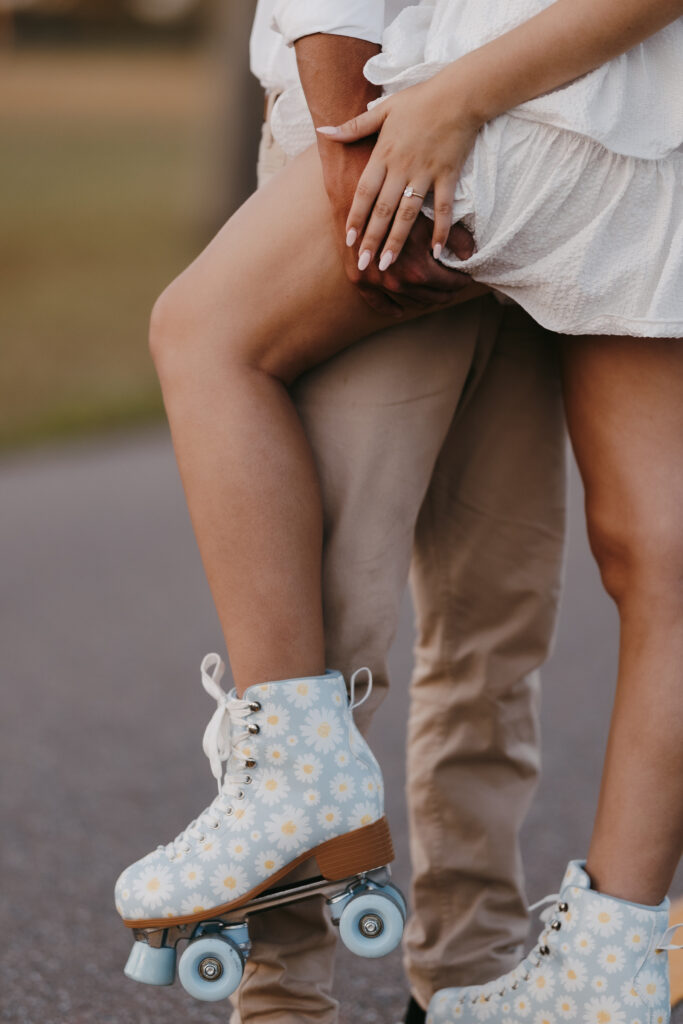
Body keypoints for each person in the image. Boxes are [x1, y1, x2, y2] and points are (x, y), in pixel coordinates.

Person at [115, 0, 683, 1021]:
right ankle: (288, 997)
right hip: (488, 127)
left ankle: (470, 967)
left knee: (485, 610)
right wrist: (349, 136)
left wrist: (389, 129)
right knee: (345, 598)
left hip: (466, 130)